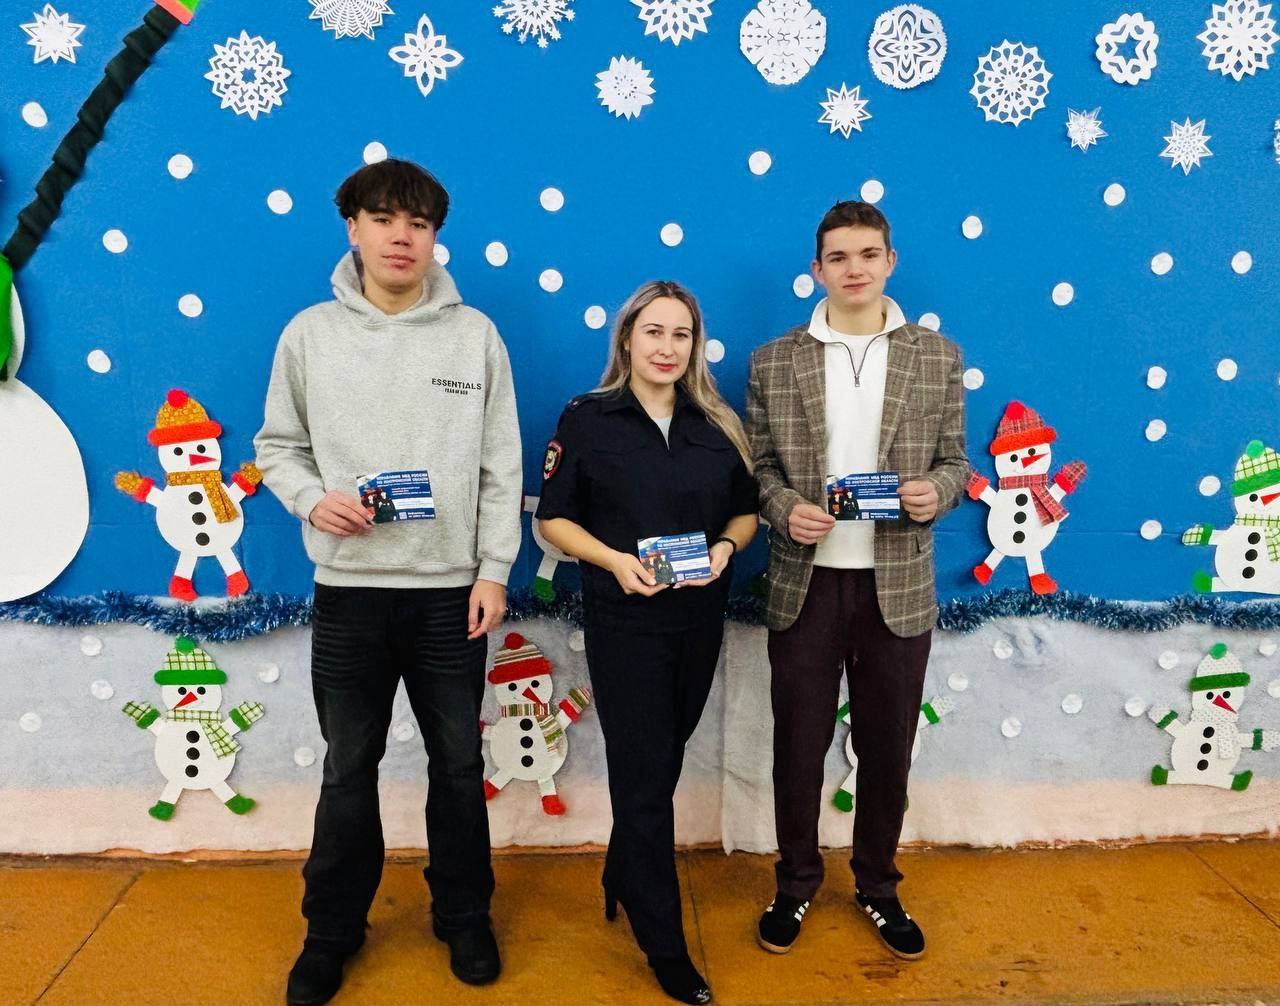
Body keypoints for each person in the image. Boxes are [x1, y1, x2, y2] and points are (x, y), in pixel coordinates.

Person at [254, 158, 522, 1006]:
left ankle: (463, 914)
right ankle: (331, 931)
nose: (401, 236)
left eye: (419, 222)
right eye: (383, 218)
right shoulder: (308, 335)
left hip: (450, 596)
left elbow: (500, 464)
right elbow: (275, 448)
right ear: (353, 229)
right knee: (348, 769)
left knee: (458, 765)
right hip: (351, 595)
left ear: (436, 236)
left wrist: (493, 569)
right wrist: (311, 498)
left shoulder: (475, 336)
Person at [745, 201, 968, 960]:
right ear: (817, 269)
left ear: (890, 262)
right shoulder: (773, 361)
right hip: (804, 584)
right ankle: (795, 883)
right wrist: (783, 509)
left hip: (896, 586)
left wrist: (936, 493)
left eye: (868, 254)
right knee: (797, 748)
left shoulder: (936, 355)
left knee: (888, 748)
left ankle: (877, 885)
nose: (854, 269)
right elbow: (759, 468)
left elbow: (956, 462)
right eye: (838, 257)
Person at [535, 281, 758, 1004]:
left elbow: (746, 512)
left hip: (699, 620)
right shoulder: (588, 417)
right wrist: (612, 561)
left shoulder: (717, 422)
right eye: (653, 332)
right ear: (627, 338)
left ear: (696, 344)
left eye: (680, 334)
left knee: (660, 765)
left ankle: (621, 871)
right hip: (625, 624)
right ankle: (663, 942)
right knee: (642, 778)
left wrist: (726, 547)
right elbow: (552, 520)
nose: (667, 347)